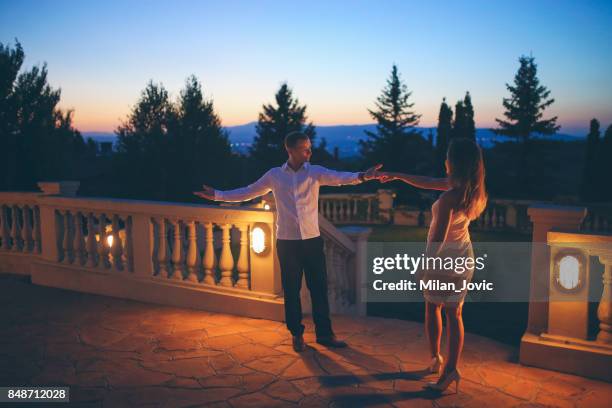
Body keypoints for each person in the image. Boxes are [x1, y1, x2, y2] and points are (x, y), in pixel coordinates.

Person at [194, 131, 382, 352]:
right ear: (290, 150)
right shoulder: (274, 175)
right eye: (305, 148)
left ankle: (325, 334)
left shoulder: (315, 173)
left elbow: (341, 178)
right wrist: (217, 195)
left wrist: (364, 176)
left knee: (319, 289)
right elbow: (247, 192)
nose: (310, 152)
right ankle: (297, 334)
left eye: (309, 147)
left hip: (312, 241)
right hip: (287, 243)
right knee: (291, 291)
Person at [378, 137, 487, 393]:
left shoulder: (450, 197)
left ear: (454, 163)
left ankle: (441, 365)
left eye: (448, 157)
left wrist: (423, 266)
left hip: (444, 261)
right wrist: (396, 175)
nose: (444, 161)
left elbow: (437, 238)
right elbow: (427, 182)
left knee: (433, 308)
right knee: (453, 313)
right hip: (462, 257)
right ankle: (445, 366)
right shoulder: (470, 189)